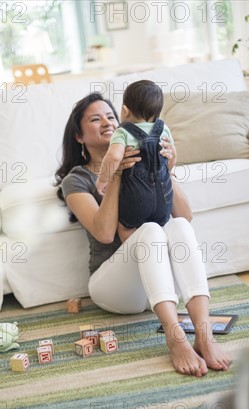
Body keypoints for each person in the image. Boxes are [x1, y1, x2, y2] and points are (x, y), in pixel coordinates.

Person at [55, 92, 231, 377]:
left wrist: (166, 169)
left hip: (157, 286)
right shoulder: (76, 179)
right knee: (150, 229)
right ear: (79, 136)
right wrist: (117, 175)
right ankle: (175, 338)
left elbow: (185, 216)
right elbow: (103, 233)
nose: (107, 123)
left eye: (111, 116)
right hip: (112, 287)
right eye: (95, 119)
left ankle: (203, 333)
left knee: (179, 227)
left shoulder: (146, 153)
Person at [96, 80, 173, 243]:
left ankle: (138, 253)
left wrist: (103, 178)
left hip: (137, 198)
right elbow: (172, 155)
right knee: (162, 228)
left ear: (125, 110)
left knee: (126, 228)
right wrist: (169, 169)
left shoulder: (122, 132)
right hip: (163, 197)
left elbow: (114, 157)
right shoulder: (163, 129)